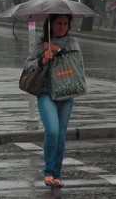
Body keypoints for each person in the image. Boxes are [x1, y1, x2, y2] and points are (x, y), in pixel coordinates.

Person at [24, 14, 79, 188]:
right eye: (58, 23)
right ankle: (48, 171)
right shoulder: (40, 44)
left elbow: (77, 64)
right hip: (46, 92)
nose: (62, 27)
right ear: (51, 24)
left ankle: (57, 173)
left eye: (65, 24)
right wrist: (42, 59)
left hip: (66, 93)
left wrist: (56, 50)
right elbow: (27, 65)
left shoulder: (72, 42)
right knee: (53, 131)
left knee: (61, 136)